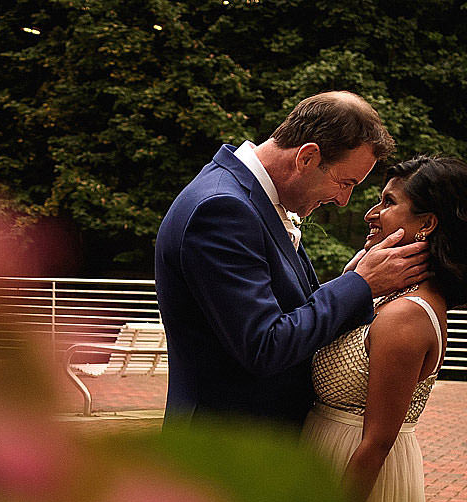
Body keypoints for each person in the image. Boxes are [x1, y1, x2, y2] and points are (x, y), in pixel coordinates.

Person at [156, 92, 428, 428]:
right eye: (345, 183)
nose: (343, 201)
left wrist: (349, 282)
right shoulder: (222, 209)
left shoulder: (248, 200)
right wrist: (360, 285)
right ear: (307, 158)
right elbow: (265, 345)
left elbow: (278, 309)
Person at [302, 155, 467, 502]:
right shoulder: (387, 298)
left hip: (353, 475)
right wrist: (352, 279)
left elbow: (376, 443)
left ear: (427, 224)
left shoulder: (405, 316)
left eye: (389, 203)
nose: (371, 214)